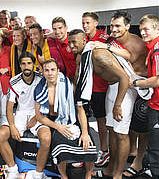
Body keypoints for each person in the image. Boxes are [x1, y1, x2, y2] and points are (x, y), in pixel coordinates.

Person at [68, 29, 137, 179]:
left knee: (121, 134)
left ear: (84, 41)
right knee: (111, 130)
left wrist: (118, 104)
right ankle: (110, 169)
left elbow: (125, 78)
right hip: (113, 87)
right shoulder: (82, 56)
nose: (71, 46)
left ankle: (118, 174)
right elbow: (78, 77)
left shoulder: (98, 55)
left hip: (124, 88)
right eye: (69, 42)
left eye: (74, 42)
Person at [129, 14, 159, 179]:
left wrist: (135, 83)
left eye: (146, 29)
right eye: (141, 29)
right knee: (158, 145)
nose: (143, 33)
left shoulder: (158, 50)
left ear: (157, 29)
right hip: (158, 104)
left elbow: (158, 80)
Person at [33, 59, 96, 179]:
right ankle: (64, 176)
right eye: (47, 70)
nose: (50, 73)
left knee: (89, 144)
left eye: (53, 70)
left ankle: (88, 175)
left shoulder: (69, 85)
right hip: (52, 121)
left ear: (58, 71)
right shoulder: (39, 89)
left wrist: (85, 132)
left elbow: (80, 109)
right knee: (60, 146)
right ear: (43, 72)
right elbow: (39, 116)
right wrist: (58, 127)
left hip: (71, 117)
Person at [0, 52, 43, 179]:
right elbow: (9, 107)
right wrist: (12, 126)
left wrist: (36, 117)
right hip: (21, 113)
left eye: (29, 63)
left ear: (33, 64)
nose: (26, 66)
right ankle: (13, 169)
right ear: (20, 65)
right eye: (23, 64)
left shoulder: (41, 78)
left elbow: (46, 102)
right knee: (0, 135)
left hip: (38, 113)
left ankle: (40, 172)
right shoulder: (14, 81)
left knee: (46, 137)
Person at [81, 12, 110, 167]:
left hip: (100, 86)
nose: (85, 26)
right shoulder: (83, 38)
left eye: (88, 23)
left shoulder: (104, 39)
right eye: (83, 23)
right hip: (85, 86)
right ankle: (85, 150)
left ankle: (104, 150)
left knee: (101, 120)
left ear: (95, 23)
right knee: (83, 118)